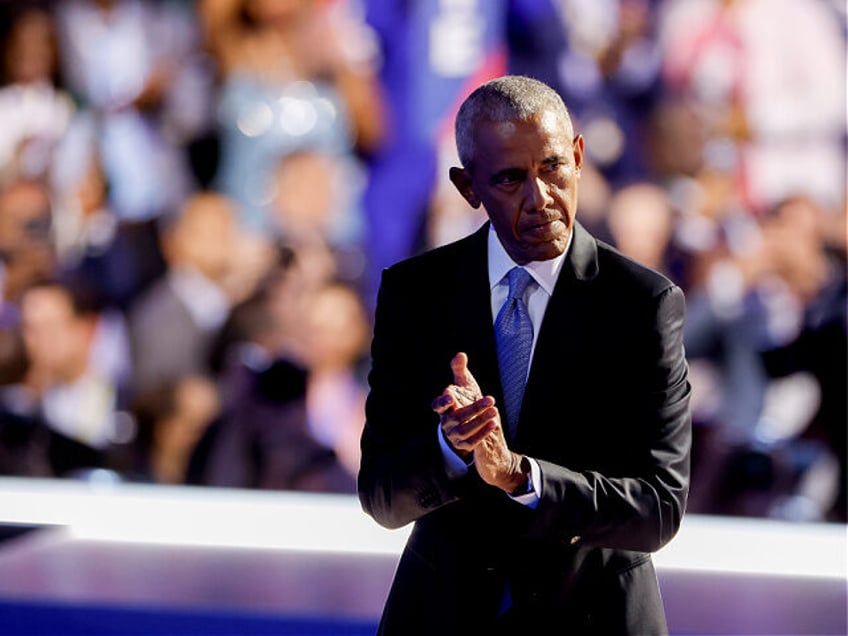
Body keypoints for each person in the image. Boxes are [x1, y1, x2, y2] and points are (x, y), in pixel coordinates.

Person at [358, 75, 692, 634]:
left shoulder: (643, 304)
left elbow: (659, 508)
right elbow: (380, 498)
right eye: (511, 179)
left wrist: (522, 477)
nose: (541, 199)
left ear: (579, 156)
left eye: (554, 168)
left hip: (594, 617)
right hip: (445, 611)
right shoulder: (416, 293)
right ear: (469, 188)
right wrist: (450, 447)